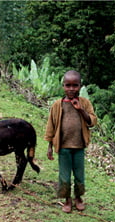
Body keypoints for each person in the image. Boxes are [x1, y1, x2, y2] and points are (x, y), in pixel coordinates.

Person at [45, 70, 98, 213]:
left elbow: (92, 121)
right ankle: (67, 200)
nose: (71, 89)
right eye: (68, 85)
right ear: (63, 86)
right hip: (63, 147)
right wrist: (50, 146)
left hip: (79, 147)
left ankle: (78, 198)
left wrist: (80, 109)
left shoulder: (85, 103)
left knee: (79, 176)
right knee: (64, 176)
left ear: (80, 86)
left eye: (75, 85)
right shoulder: (58, 105)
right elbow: (51, 126)